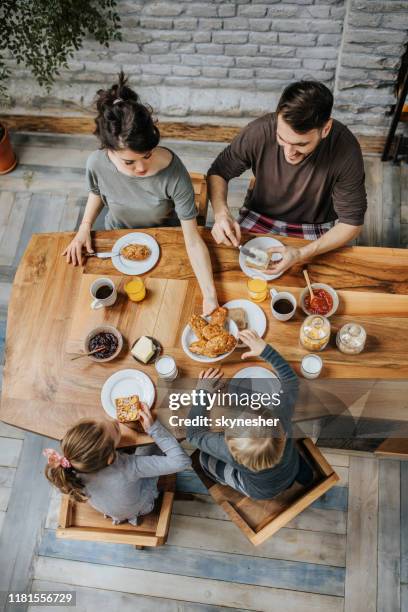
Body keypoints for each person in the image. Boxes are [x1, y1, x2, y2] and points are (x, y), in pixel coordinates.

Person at [63, 72, 218, 315]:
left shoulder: (174, 173)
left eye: (147, 155)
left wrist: (210, 296)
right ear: (108, 151)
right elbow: (97, 191)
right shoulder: (96, 163)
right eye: (129, 162)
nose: (142, 168)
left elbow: (193, 241)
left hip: (165, 241)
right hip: (116, 238)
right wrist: (84, 227)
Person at [207, 80, 367, 276]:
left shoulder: (346, 149)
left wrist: (301, 253)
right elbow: (219, 171)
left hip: (313, 226)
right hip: (259, 215)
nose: (289, 152)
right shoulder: (260, 130)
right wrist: (221, 213)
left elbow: (352, 223)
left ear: (325, 129)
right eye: (282, 139)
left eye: (300, 144)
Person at [186, 330, 312, 499]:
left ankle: (223, 479)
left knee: (204, 459)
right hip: (289, 466)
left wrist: (202, 393)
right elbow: (291, 381)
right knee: (289, 464)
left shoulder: (231, 454)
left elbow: (193, 435)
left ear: (229, 443)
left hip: (260, 491)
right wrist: (265, 351)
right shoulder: (281, 417)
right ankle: (296, 474)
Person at [43, 403, 191, 525]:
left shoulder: (73, 463)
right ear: (109, 457)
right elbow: (181, 462)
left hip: (109, 507)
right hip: (139, 506)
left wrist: (110, 436)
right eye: (115, 427)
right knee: (151, 446)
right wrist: (154, 429)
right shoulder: (128, 467)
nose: (115, 421)